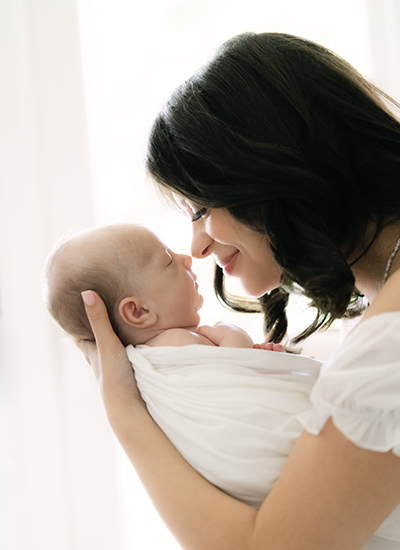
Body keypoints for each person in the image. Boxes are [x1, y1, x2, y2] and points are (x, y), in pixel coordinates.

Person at [77, 32, 400, 550]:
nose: (198, 248)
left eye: (201, 209)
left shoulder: (390, 343)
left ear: (266, 170)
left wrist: (126, 415)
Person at [42, 222, 321, 508]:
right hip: (266, 457)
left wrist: (266, 359)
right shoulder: (171, 345)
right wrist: (235, 338)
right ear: (138, 311)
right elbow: (230, 374)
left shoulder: (158, 357)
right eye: (167, 260)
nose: (186, 259)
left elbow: (231, 385)